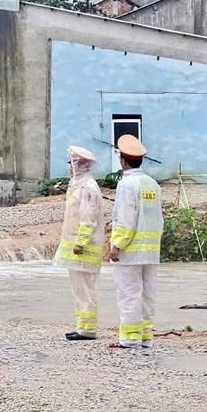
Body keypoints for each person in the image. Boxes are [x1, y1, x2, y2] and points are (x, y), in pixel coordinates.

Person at [108, 134, 165, 349]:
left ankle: (130, 338)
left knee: (129, 293)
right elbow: (158, 217)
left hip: (130, 250)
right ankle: (146, 337)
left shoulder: (126, 184)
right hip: (151, 250)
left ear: (123, 161)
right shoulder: (152, 184)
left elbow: (125, 219)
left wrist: (117, 245)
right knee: (148, 294)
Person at [54, 146, 105, 341]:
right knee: (79, 289)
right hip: (77, 248)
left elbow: (88, 218)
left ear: (81, 165)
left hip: (84, 249)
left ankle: (88, 329)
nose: (70, 167)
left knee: (85, 288)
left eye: (72, 163)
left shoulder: (88, 187)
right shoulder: (77, 184)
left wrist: (81, 242)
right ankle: (82, 326)